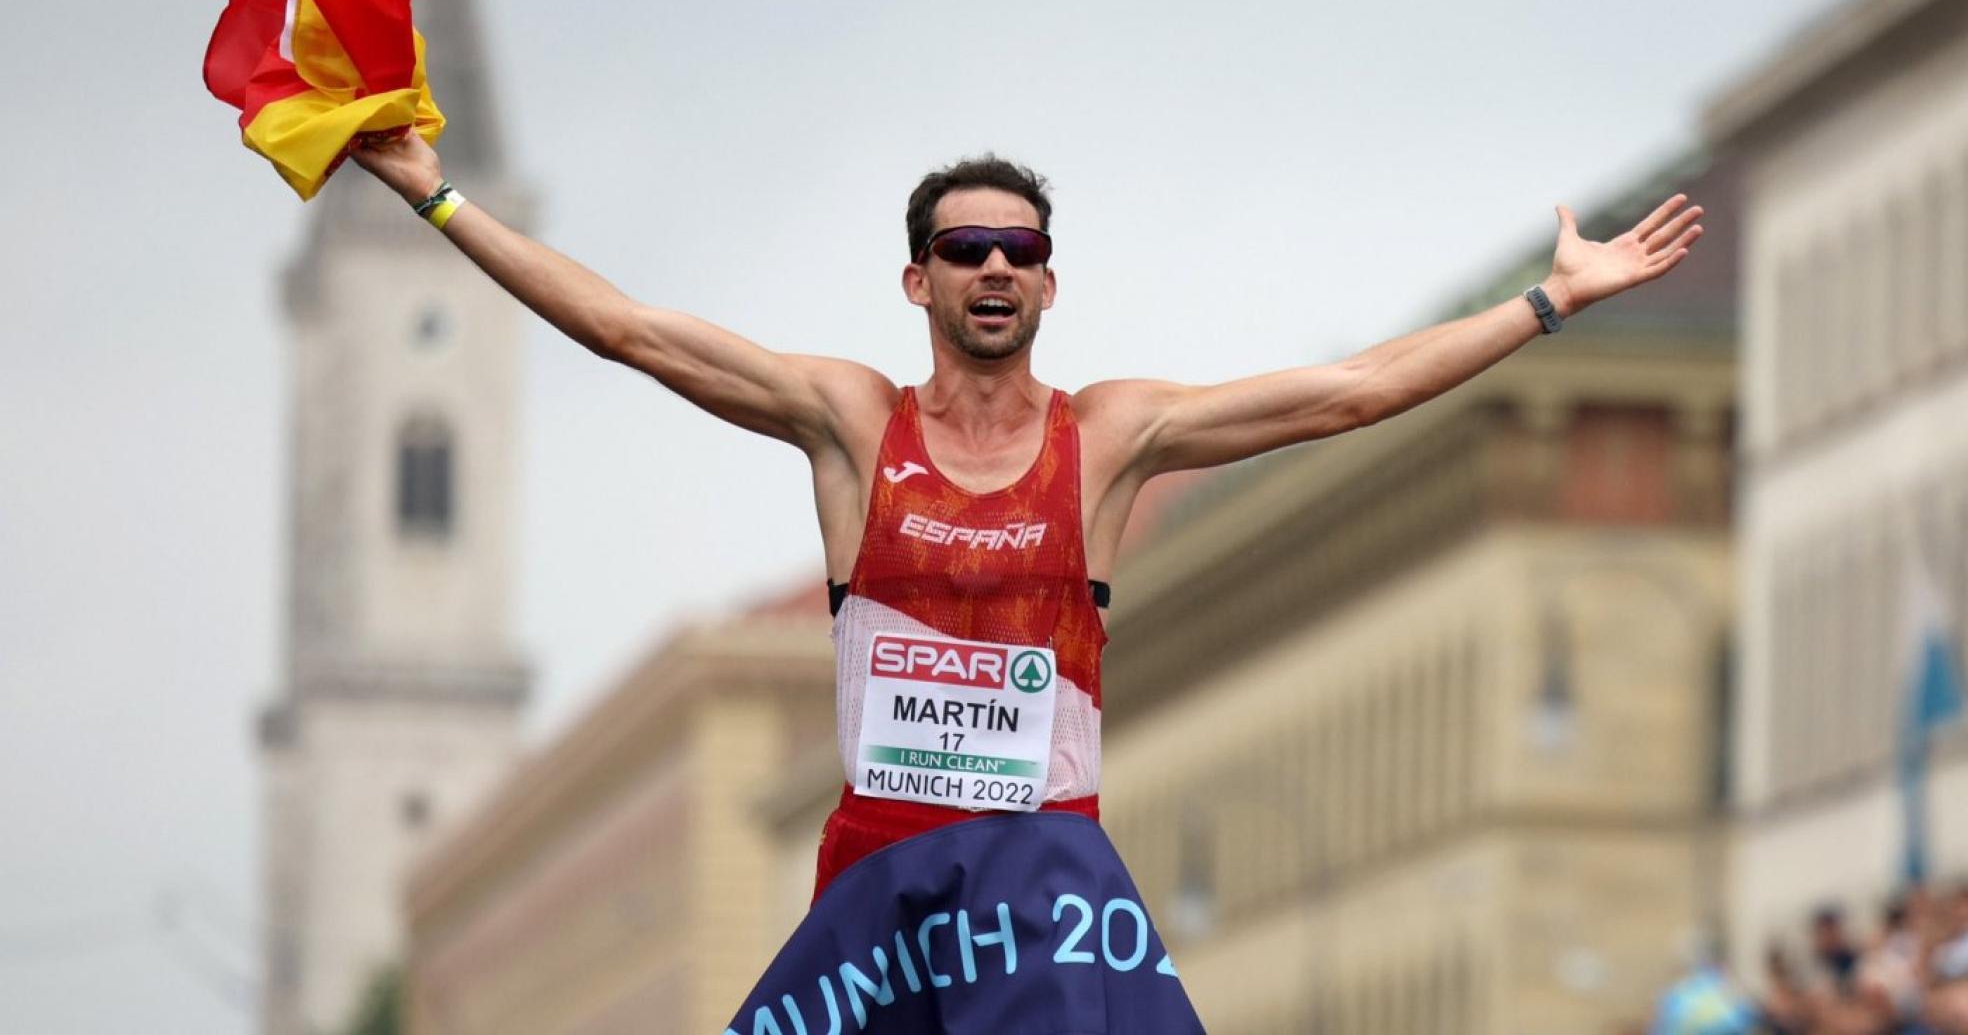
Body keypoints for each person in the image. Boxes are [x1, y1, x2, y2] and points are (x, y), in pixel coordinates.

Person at [350, 135, 1703, 1032]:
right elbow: (627, 329)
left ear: (1050, 283)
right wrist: (433, 190)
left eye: (1019, 249)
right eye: (964, 247)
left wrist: (1549, 304)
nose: (993, 264)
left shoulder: (1109, 437)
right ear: (916, 277)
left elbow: (1347, 393)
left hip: (1039, 874)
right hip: (878, 869)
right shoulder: (846, 421)